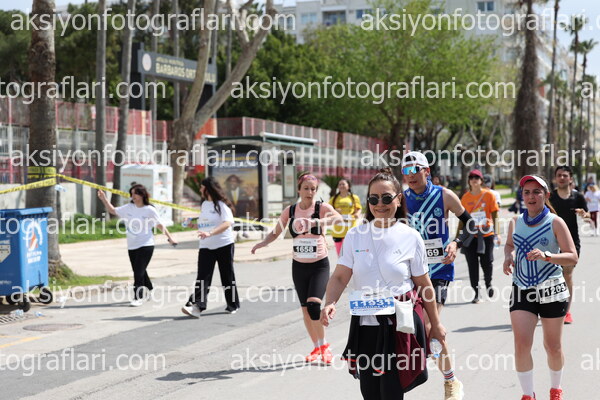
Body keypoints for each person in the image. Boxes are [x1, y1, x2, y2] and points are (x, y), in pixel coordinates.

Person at [320, 168, 446, 400]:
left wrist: (435, 324)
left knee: (390, 391)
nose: (380, 204)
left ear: (399, 200)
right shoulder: (355, 236)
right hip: (365, 324)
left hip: (399, 325)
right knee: (369, 392)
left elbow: (424, 284)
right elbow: (339, 277)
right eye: (374, 199)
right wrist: (330, 302)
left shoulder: (411, 236)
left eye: (387, 198)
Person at [401, 151, 472, 400]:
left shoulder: (444, 196)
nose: (410, 175)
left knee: (430, 325)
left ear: (426, 171)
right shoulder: (401, 200)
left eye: (415, 170)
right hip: (411, 272)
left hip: (439, 270)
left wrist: (455, 243)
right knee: (410, 328)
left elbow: (470, 224)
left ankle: (451, 382)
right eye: (405, 171)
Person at [251, 173, 343, 363]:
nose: (310, 192)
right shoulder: (291, 211)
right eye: (306, 188)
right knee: (305, 310)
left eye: (313, 189)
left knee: (314, 305)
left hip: (319, 265)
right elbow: (276, 232)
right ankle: (316, 347)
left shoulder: (321, 208)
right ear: (299, 189)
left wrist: (316, 222)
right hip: (299, 266)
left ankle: (324, 346)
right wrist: (262, 243)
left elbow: (339, 219)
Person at [503, 175, 577, 400]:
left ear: (546, 195)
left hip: (551, 289)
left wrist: (547, 256)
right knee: (521, 344)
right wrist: (508, 256)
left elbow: (572, 256)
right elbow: (509, 245)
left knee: (552, 346)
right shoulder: (515, 222)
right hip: (522, 288)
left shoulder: (555, 222)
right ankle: (528, 395)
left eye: (536, 192)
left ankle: (555, 389)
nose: (531, 196)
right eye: (527, 192)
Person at [97, 184, 177, 307]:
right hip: (132, 245)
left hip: (146, 244)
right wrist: (104, 199)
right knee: (139, 270)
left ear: (142, 195)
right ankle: (150, 288)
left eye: (135, 193)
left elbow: (159, 224)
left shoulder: (149, 210)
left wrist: (170, 238)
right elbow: (112, 210)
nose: (133, 196)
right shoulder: (129, 207)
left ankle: (138, 297)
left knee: (138, 272)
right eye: (132, 193)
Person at [182, 177, 239, 317]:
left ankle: (232, 304)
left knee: (227, 276)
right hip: (206, 246)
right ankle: (197, 306)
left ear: (208, 189)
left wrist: (210, 233)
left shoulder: (221, 205)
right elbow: (205, 224)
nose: (200, 189)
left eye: (202, 187)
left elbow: (227, 223)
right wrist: (192, 225)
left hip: (224, 244)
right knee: (203, 276)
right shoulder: (204, 205)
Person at [548, 166, 587, 324]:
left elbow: (587, 215)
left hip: (571, 243)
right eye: (559, 175)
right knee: (550, 276)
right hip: (551, 242)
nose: (562, 178)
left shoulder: (578, 197)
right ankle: (549, 306)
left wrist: (583, 214)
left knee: (567, 275)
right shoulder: (550, 197)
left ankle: (566, 311)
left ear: (570, 178)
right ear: (555, 178)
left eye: (565, 175)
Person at [459, 169, 500, 303]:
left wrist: (497, 234)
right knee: (472, 265)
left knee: (487, 262)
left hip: (486, 234)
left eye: (477, 177)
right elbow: (461, 219)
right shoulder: (465, 198)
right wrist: (458, 238)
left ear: (481, 180)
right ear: (469, 181)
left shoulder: (489, 195)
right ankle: (476, 293)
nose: (474, 179)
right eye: (471, 177)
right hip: (470, 236)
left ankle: (488, 283)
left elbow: (495, 215)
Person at [329, 178, 362, 255]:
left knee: (350, 255)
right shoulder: (334, 199)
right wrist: (335, 211)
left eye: (343, 184)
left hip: (350, 229)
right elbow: (328, 210)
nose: (341, 186)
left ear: (348, 186)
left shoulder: (354, 198)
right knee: (340, 255)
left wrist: (357, 214)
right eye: (340, 184)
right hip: (338, 231)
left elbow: (359, 209)